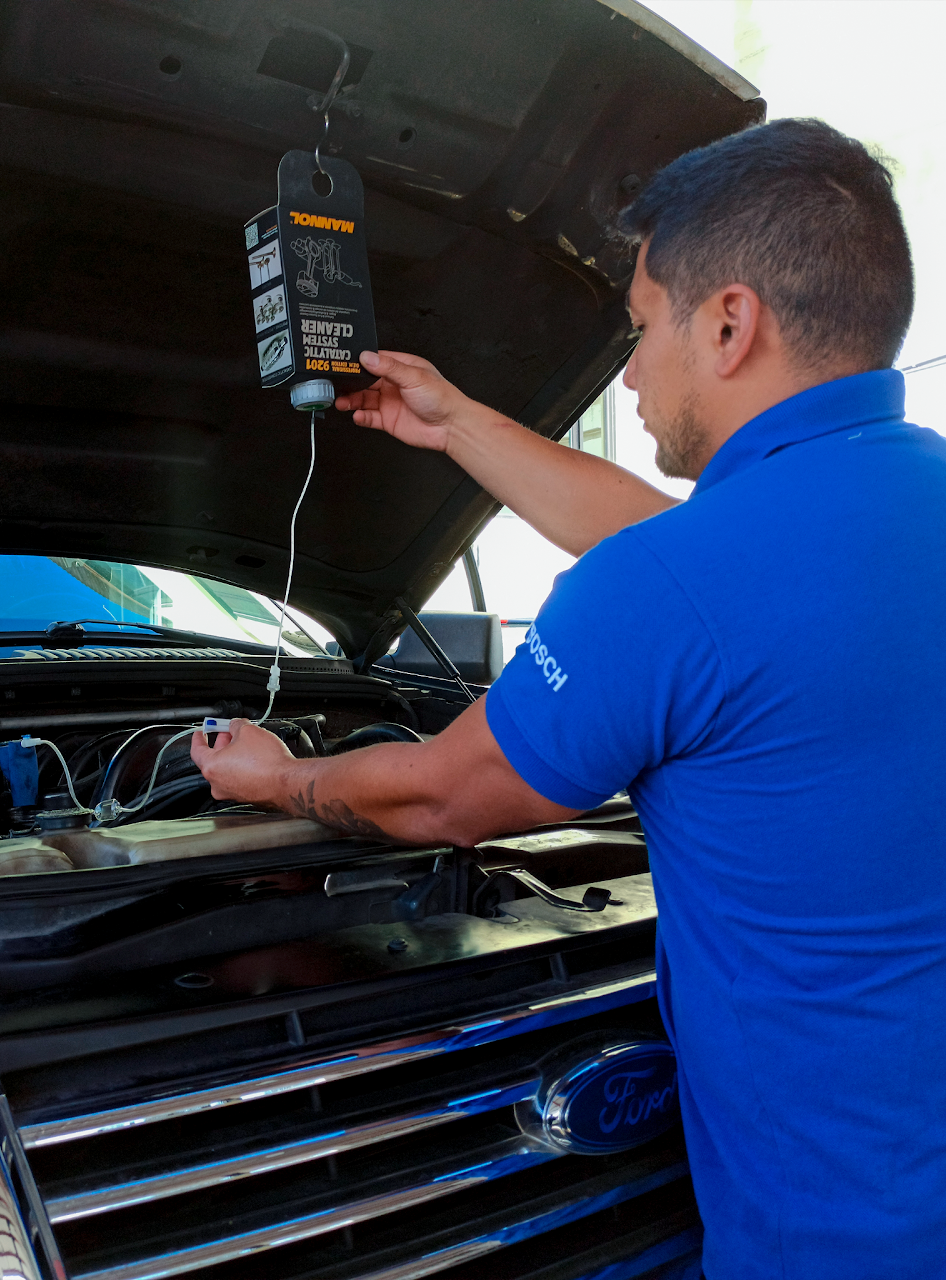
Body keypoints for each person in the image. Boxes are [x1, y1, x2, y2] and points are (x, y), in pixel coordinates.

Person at [191, 118, 945, 1279]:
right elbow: (695, 567)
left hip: (833, 1237)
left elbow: (437, 799)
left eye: (641, 331)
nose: (632, 373)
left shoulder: (683, 585)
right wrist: (457, 425)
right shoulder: (894, 504)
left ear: (730, 322)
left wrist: (275, 774)